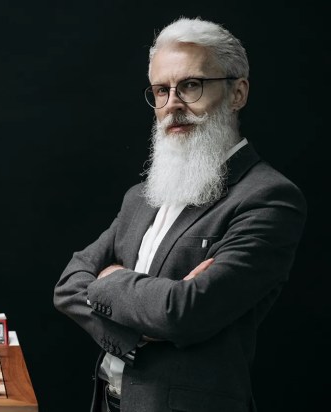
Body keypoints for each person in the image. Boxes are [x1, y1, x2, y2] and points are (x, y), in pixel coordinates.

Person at [53, 16, 307, 412]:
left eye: (191, 85)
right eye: (161, 90)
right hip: (107, 402)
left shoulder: (269, 198)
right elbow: (68, 284)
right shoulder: (142, 196)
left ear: (237, 92)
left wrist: (108, 280)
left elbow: (183, 312)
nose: (173, 105)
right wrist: (139, 332)